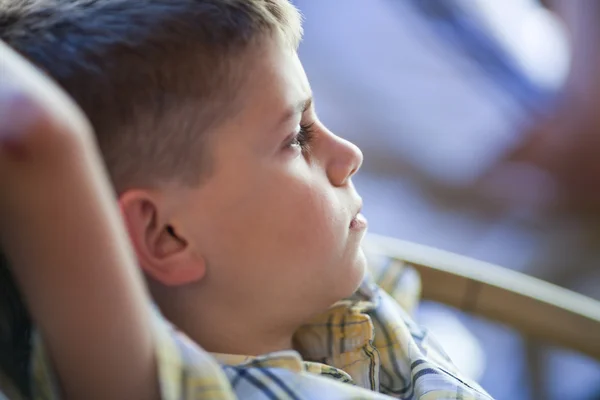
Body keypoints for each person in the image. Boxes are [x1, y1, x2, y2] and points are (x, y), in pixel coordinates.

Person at [0, 1, 493, 398]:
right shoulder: (159, 386)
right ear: (168, 236)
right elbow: (34, 133)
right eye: (297, 137)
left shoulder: (316, 283)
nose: (349, 155)